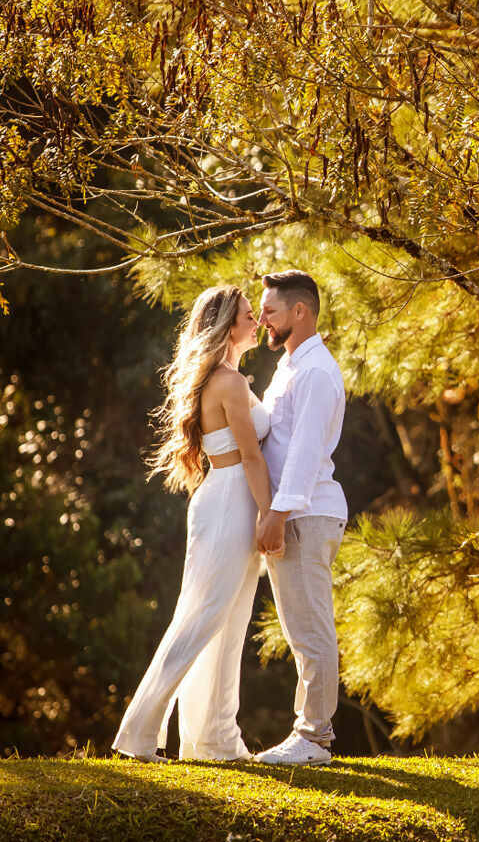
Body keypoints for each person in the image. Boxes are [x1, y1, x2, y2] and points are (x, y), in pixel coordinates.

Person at [112, 285, 273, 762]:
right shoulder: (229, 383)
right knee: (202, 617)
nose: (257, 322)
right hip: (229, 503)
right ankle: (139, 736)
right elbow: (251, 457)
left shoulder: (229, 378)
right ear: (227, 325)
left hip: (227, 499)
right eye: (248, 315)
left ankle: (214, 740)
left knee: (230, 624)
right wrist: (271, 516)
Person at [251, 269, 347, 767]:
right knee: (300, 629)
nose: (262, 319)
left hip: (305, 516)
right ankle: (311, 733)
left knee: (311, 630)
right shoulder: (290, 365)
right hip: (293, 514)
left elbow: (305, 454)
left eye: (269, 310)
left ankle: (313, 738)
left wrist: (276, 514)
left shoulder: (314, 372)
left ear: (299, 311)